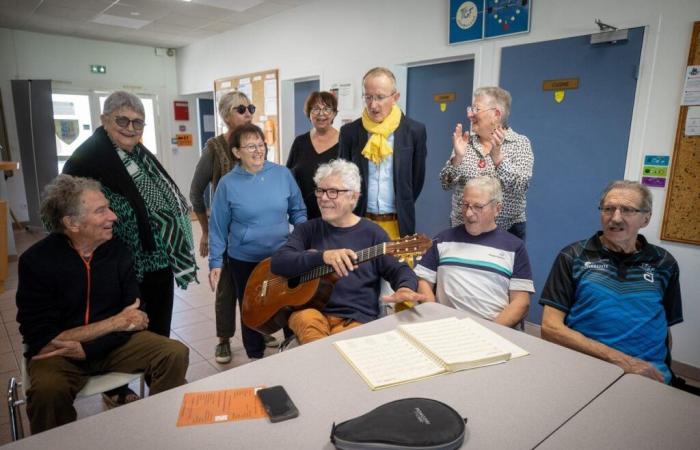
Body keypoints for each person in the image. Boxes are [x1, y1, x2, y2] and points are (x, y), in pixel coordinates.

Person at [16, 175, 188, 434]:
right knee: (47, 391)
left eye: (108, 207)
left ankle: (160, 431)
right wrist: (115, 322)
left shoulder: (118, 251)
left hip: (112, 345)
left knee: (174, 353)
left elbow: (136, 316)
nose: (113, 217)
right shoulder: (36, 261)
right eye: (101, 211)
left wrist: (92, 344)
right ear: (72, 223)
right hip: (59, 355)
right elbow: (40, 336)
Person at [63, 90, 196, 338]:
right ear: (105, 120)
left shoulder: (140, 154)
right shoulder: (86, 160)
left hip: (158, 262)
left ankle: (160, 375)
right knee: (124, 338)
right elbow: (65, 214)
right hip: (119, 268)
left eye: (137, 122)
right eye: (122, 120)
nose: (130, 128)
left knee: (158, 334)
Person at [270, 159, 429, 344]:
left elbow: (399, 270)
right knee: (306, 321)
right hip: (310, 312)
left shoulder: (373, 233)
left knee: (341, 352)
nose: (323, 197)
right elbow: (279, 262)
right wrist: (322, 256)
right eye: (320, 190)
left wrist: (404, 287)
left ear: (353, 196)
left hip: (355, 318)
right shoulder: (307, 229)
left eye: (333, 192)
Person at [539, 180, 682, 384]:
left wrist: (657, 369)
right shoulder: (573, 256)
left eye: (627, 210)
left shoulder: (664, 263)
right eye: (608, 209)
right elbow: (550, 327)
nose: (615, 218)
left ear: (646, 218)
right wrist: (623, 361)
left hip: (650, 374)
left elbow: (663, 327)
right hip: (584, 366)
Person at [208, 123, 306, 360]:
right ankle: (255, 357)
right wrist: (215, 263)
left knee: (288, 303)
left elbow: (298, 211)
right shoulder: (227, 184)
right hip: (244, 258)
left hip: (282, 255)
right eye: (250, 146)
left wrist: (302, 239)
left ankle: (293, 351)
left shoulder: (282, 174)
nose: (258, 150)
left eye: (261, 144)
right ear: (236, 152)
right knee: (251, 309)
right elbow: (218, 228)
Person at [188, 91, 259, 363]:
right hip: (227, 231)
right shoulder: (215, 148)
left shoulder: (255, 141)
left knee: (254, 284)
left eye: (250, 107)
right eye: (241, 109)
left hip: (255, 228)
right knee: (227, 288)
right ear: (226, 115)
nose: (248, 113)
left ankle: (256, 330)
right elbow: (196, 192)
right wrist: (206, 231)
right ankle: (223, 339)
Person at [415, 176, 534, 327]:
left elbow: (521, 302)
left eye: (478, 207)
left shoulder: (514, 247)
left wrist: (491, 331)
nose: (469, 213)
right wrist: (433, 317)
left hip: (492, 328)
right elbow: (423, 281)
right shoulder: (442, 239)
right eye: (465, 205)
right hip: (445, 326)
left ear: (497, 209)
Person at [338, 67, 427, 239]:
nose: (373, 105)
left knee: (395, 267)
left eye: (380, 97)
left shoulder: (414, 131)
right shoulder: (350, 132)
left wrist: (402, 202)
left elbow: (416, 180)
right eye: (368, 97)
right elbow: (343, 179)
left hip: (398, 223)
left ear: (395, 97)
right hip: (358, 221)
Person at [439, 86, 533, 240]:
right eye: (471, 108)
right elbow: (445, 184)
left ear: (496, 114)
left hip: (506, 232)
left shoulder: (520, 143)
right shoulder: (465, 142)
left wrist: (498, 159)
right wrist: (457, 159)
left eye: (476, 109)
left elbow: (521, 186)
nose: (470, 114)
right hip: (462, 229)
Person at [287, 91, 340, 220]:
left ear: (334, 114)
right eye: (315, 109)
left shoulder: (345, 142)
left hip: (336, 217)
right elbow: (288, 178)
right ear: (309, 113)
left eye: (327, 109)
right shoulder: (300, 142)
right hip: (304, 218)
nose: (321, 114)